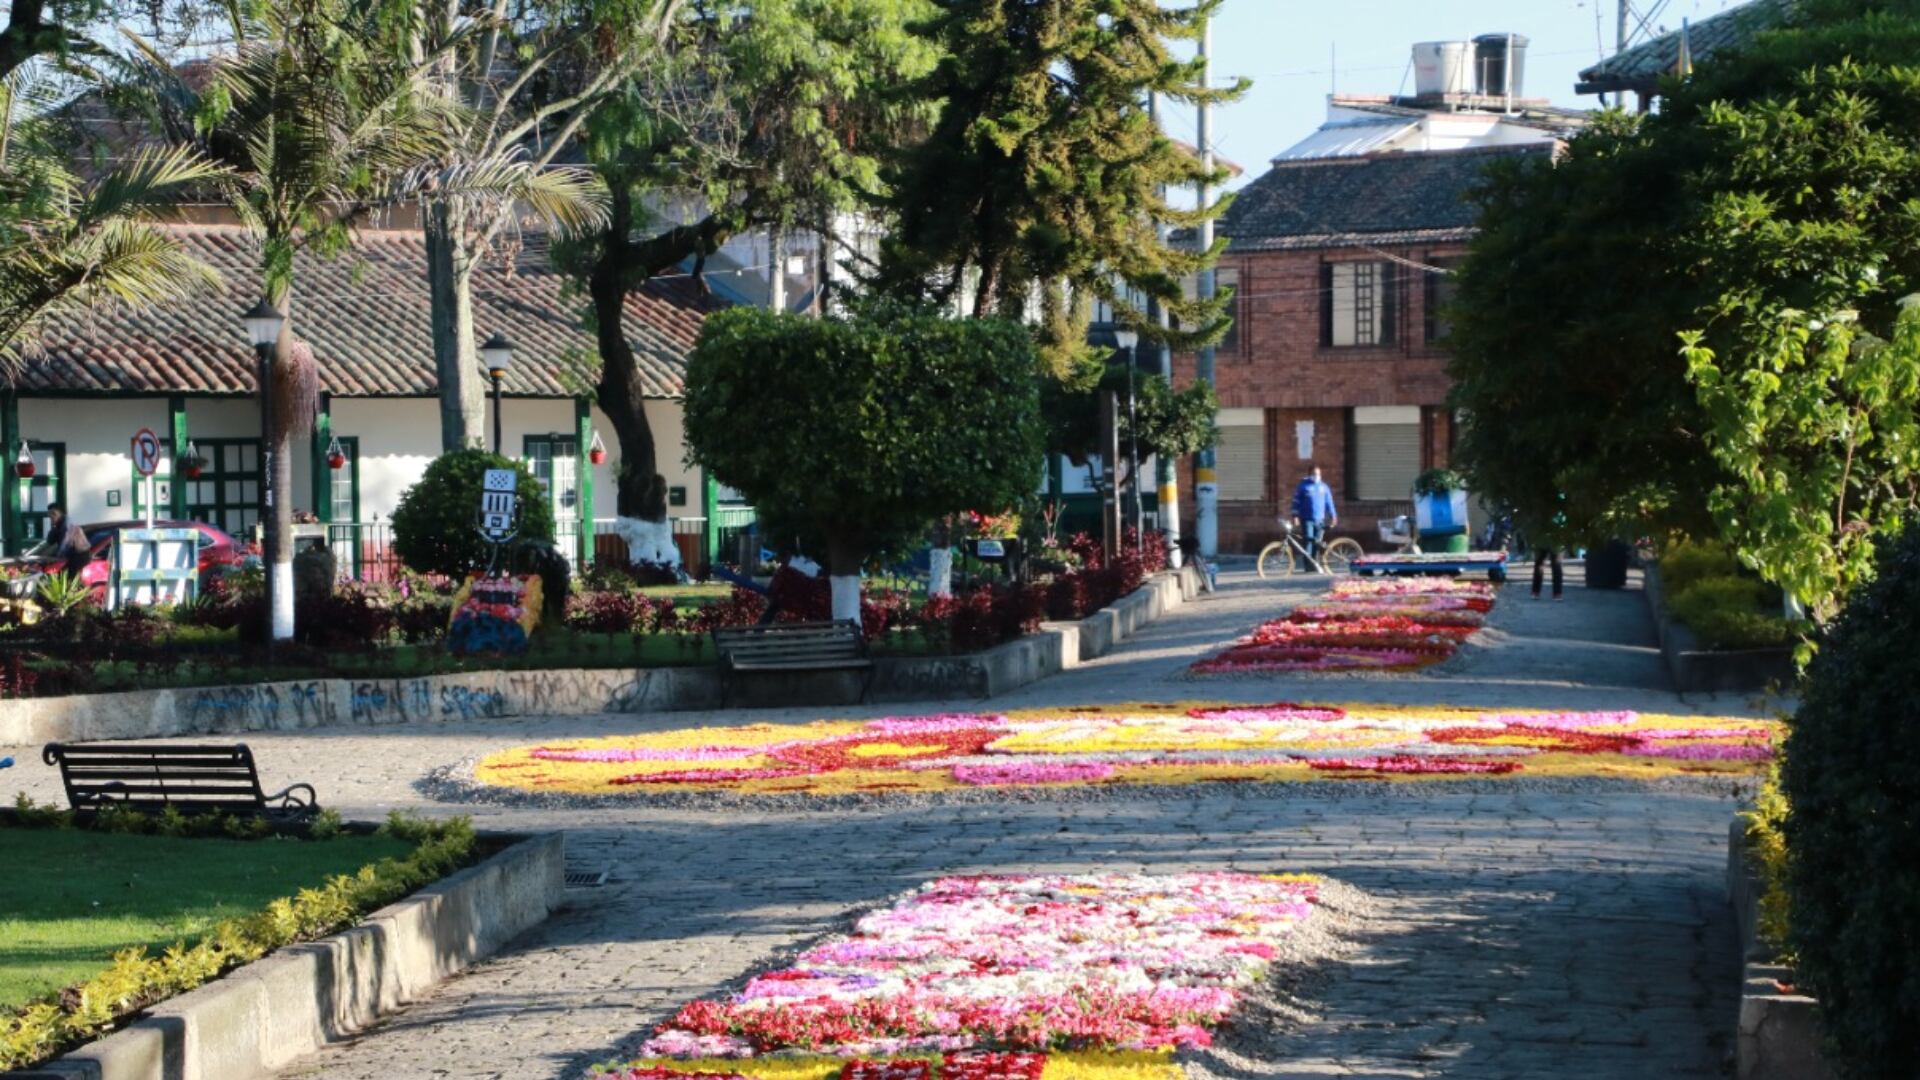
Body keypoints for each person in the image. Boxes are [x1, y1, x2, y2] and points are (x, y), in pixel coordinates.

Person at [1289, 467, 1339, 566]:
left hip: (1320, 520)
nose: (1317, 476)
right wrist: (1295, 515)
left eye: (1318, 474)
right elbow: (1296, 502)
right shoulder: (1303, 486)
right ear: (1310, 474)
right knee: (1308, 542)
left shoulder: (1324, 487)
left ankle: (1315, 564)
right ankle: (1308, 566)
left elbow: (1329, 503)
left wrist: (1334, 516)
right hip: (1307, 520)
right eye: (1314, 474)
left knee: (1317, 543)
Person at [45, 503, 92, 576]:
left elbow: (65, 545)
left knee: (67, 577)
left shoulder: (67, 525)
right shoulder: (58, 525)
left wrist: (56, 559)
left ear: (55, 514)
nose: (50, 520)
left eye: (51, 517)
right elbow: (50, 541)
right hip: (72, 556)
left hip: (79, 557)